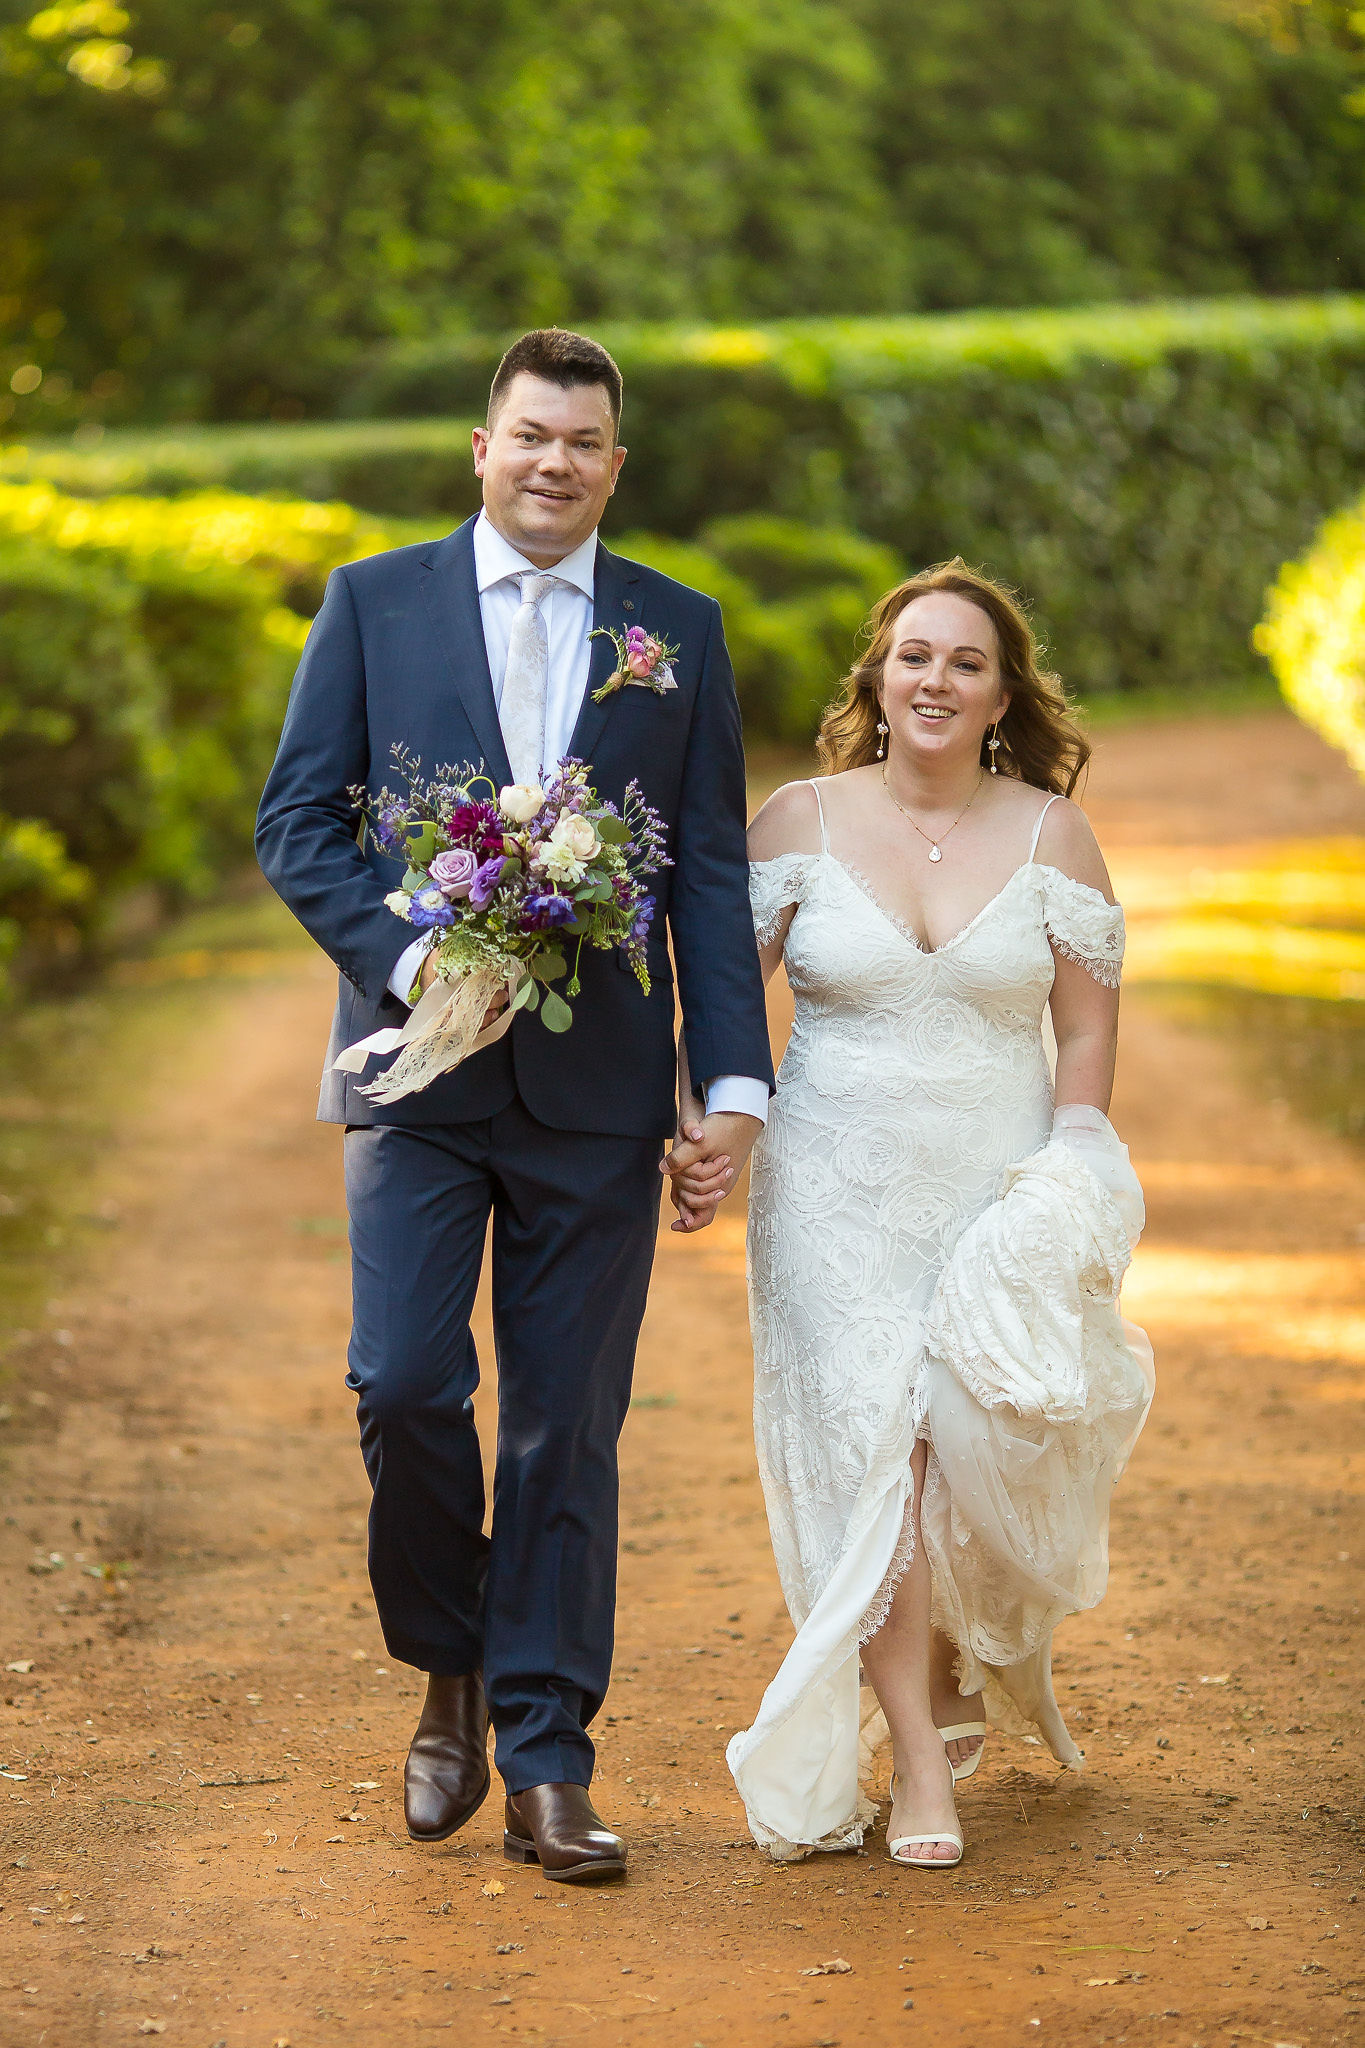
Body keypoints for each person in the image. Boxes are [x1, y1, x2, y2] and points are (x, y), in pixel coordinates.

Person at [256, 328, 773, 1884]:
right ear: (481, 447)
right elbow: (298, 823)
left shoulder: (674, 630)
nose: (555, 462)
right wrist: (416, 959)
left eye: (585, 442)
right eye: (530, 434)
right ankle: (450, 1666)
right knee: (405, 1381)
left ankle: (548, 1757)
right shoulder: (373, 603)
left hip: (598, 1088)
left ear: (616, 466)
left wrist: (730, 1086)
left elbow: (706, 866)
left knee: (566, 1428)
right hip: (418, 1077)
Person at [669, 562, 1153, 1867]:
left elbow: (1088, 1021)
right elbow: (720, 998)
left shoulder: (1054, 837)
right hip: (830, 1194)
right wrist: (707, 1119)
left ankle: (941, 1674)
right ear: (876, 682)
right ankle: (916, 1762)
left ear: (1001, 697)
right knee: (874, 1461)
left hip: (994, 1190)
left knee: (963, 1453)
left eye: (965, 662)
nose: (935, 679)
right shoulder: (796, 822)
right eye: (913, 656)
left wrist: (1073, 1162)